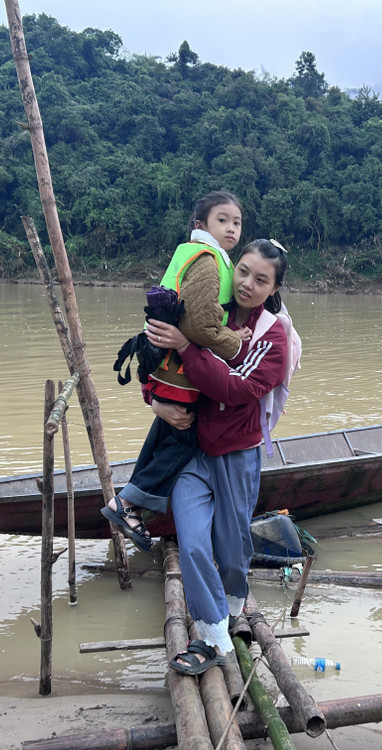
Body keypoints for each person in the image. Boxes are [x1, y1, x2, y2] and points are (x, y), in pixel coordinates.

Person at [145, 239, 290, 675]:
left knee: (231, 549)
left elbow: (235, 388)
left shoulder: (273, 337)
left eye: (260, 279)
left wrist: (188, 347)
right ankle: (211, 635)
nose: (247, 284)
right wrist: (155, 401)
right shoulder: (206, 311)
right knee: (191, 544)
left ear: (274, 288)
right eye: (242, 271)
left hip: (236, 455)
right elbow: (156, 364)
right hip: (191, 451)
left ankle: (230, 606)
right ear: (232, 268)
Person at [103, 191, 251, 552]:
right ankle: (129, 502)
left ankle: (124, 502)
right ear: (201, 225)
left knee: (168, 428)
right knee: (184, 436)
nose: (231, 228)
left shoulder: (195, 253)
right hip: (178, 371)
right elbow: (200, 326)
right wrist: (234, 342)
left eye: (236, 222)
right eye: (222, 220)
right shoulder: (208, 261)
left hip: (163, 365)